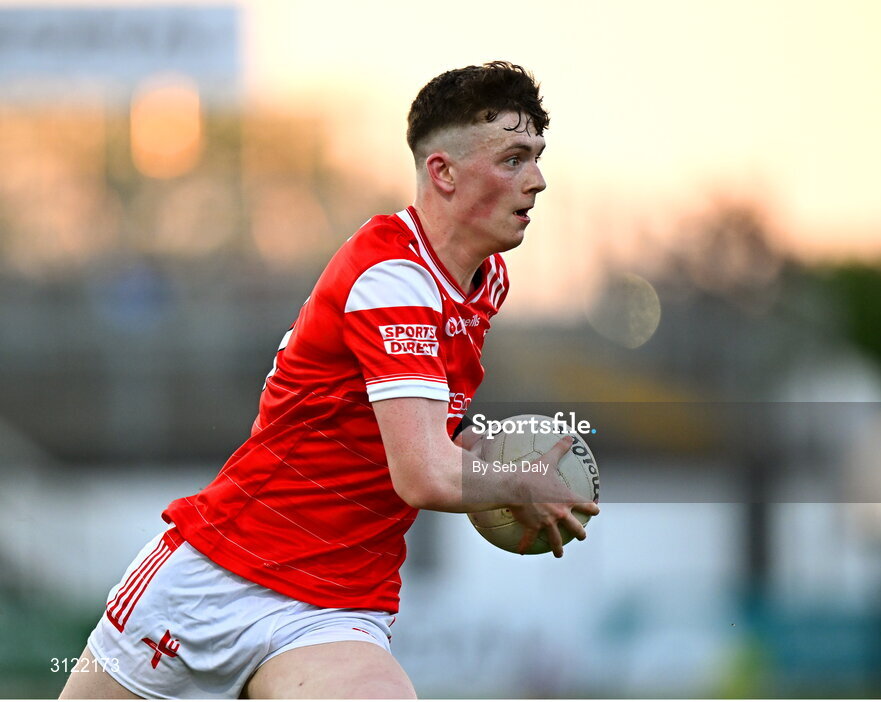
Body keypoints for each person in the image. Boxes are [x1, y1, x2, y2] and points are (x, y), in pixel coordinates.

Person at [60, 61, 599, 699]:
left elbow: (412, 437)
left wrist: (482, 455)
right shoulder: (391, 280)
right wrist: (515, 482)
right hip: (219, 582)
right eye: (512, 159)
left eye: (537, 157)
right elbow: (422, 474)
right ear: (443, 173)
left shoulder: (486, 283)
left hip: (336, 606)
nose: (536, 181)